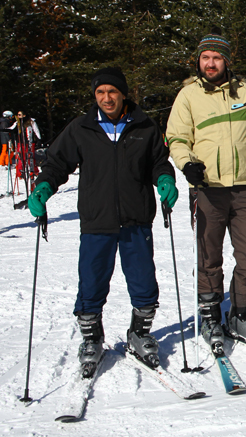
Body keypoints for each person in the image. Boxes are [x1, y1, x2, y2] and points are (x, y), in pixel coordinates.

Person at [27, 68, 177, 374]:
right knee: (92, 281)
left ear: (123, 93)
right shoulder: (81, 128)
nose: (106, 98)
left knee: (144, 281)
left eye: (112, 92)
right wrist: (43, 187)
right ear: (95, 96)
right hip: (97, 220)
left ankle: (140, 332)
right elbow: (57, 163)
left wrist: (164, 179)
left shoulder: (144, 125)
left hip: (136, 217)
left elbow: (159, 161)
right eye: (100, 93)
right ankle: (92, 338)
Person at [166, 29, 246, 352]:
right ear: (198, 61)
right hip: (207, 188)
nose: (210, 63)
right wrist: (186, 164)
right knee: (209, 256)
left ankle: (240, 313)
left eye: (217, 57)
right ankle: (210, 314)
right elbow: (177, 138)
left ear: (227, 61)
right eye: (205, 57)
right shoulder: (188, 96)